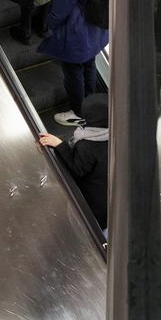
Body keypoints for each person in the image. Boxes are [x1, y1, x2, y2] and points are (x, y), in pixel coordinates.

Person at [38, 94, 108, 228]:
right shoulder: (115, 135)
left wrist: (60, 145)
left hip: (93, 206)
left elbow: (77, 170)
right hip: (109, 199)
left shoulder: (87, 145)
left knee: (89, 229)